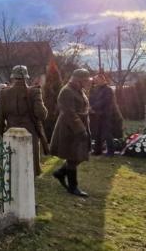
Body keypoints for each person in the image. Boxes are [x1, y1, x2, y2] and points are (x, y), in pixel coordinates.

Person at [0, 65, 48, 175]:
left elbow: (0, 117)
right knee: (30, 162)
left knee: (12, 160)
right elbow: (41, 114)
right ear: (26, 77)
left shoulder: (4, 92)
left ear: (13, 77)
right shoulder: (34, 91)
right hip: (30, 132)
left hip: (11, 131)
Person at [50, 69, 92, 197]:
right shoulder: (67, 91)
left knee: (79, 155)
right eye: (85, 80)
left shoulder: (78, 90)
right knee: (74, 157)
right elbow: (69, 113)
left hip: (78, 126)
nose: (87, 83)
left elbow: (82, 107)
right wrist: (80, 129)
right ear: (78, 80)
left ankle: (61, 173)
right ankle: (73, 187)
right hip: (70, 129)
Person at [89, 73, 116, 156]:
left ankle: (110, 152)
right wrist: (91, 107)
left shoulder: (108, 89)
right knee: (98, 133)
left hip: (105, 114)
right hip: (98, 113)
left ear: (102, 79)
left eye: (97, 80)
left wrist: (93, 107)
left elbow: (105, 101)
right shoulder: (98, 89)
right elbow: (94, 99)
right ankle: (97, 150)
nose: (96, 82)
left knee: (107, 133)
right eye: (95, 80)